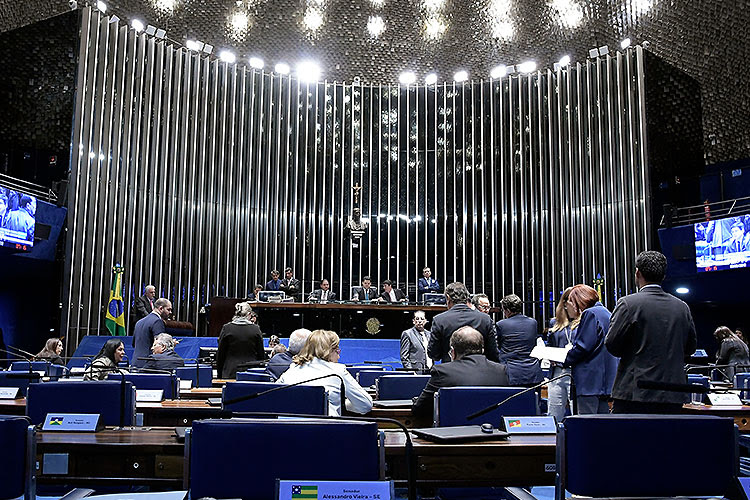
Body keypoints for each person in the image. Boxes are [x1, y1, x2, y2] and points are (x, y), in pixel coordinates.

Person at [605, 251, 697, 414]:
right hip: (672, 394)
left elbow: (612, 345)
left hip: (634, 393)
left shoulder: (628, 304)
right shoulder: (682, 307)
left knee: (631, 439)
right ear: (663, 275)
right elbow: (690, 348)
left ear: (637, 273)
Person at [412, 326, 510, 419]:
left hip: (454, 434)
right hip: (494, 434)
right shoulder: (501, 370)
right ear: (482, 350)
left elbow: (420, 410)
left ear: (453, 352)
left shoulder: (442, 372)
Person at [278, 329, 373, 416]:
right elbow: (365, 405)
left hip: (287, 431)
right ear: (329, 351)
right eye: (337, 351)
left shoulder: (292, 369)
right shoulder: (337, 371)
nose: (339, 357)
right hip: (325, 432)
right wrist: (342, 403)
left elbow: (271, 397)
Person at [563, 285, 617, 414]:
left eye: (570, 301)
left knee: (586, 425)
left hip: (589, 381)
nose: (568, 306)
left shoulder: (590, 313)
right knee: (601, 424)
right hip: (604, 381)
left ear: (579, 299)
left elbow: (583, 347)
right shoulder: (605, 312)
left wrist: (564, 359)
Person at [428, 282, 500, 363]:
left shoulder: (439, 320)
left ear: (448, 298)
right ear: (467, 297)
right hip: (479, 371)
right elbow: (493, 353)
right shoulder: (485, 319)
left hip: (451, 371)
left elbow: (433, 354)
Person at [495, 294, 543, 386]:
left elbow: (498, 346)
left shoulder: (501, 324)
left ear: (507, 310)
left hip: (510, 372)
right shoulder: (533, 323)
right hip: (532, 371)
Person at [546, 287, 576, 422]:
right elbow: (550, 345)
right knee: (554, 412)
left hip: (574, 372)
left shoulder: (584, 321)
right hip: (557, 372)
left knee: (576, 412)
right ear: (564, 303)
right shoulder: (555, 322)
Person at [216, 301, 266, 379]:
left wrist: (219, 373)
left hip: (230, 371)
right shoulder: (255, 329)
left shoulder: (227, 328)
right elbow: (261, 354)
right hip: (251, 372)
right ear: (249, 314)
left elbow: (220, 354)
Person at [132, 298, 172, 368]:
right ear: (161, 308)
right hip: (149, 365)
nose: (170, 312)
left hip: (135, 363)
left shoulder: (139, 322)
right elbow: (160, 346)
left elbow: (133, 344)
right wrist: (170, 343)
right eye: (168, 309)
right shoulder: (157, 322)